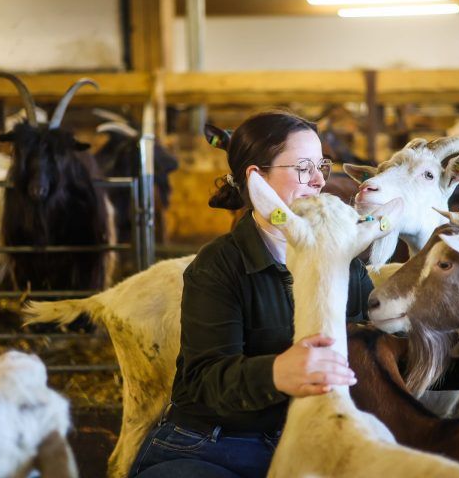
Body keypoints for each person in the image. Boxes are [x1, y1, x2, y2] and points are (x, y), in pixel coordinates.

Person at [129, 110, 371, 478]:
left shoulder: (341, 254)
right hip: (216, 444)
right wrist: (274, 372)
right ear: (257, 178)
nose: (320, 180)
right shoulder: (219, 264)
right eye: (303, 167)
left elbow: (374, 342)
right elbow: (202, 381)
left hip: (310, 439)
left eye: (321, 165)